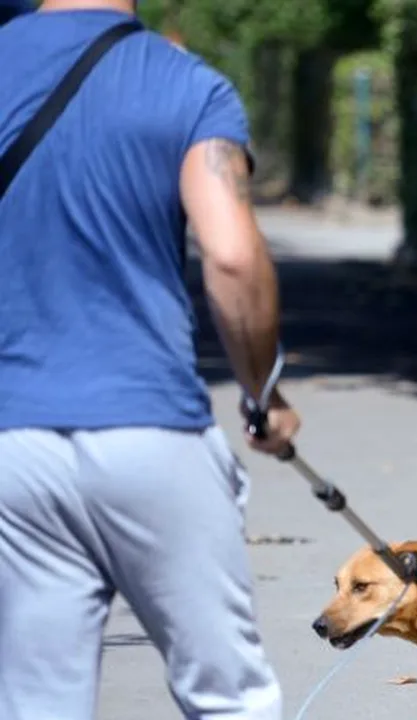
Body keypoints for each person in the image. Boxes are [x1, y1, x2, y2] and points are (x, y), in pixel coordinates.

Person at [0, 2, 300, 719]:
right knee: (230, 697)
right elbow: (229, 257)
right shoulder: (187, 85)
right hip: (150, 426)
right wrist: (263, 393)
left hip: (13, 440)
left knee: (38, 703)